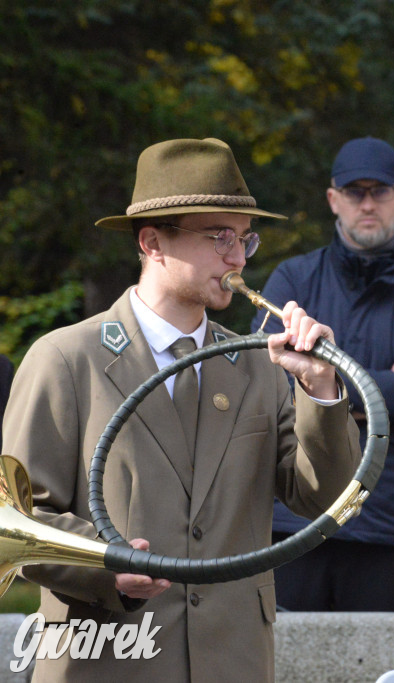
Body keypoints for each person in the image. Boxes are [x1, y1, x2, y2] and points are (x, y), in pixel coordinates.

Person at [2, 137, 361, 682]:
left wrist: (320, 390)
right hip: (108, 660)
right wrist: (107, 566)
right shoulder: (65, 358)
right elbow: (17, 521)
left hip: (233, 661)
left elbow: (325, 499)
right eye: (219, 237)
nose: (238, 258)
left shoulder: (259, 366)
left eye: (244, 239)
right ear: (152, 243)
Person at [254, 136, 394, 612]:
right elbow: (272, 382)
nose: (368, 203)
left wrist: (324, 381)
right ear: (333, 200)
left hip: (387, 522)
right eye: (354, 192)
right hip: (295, 515)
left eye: (380, 191)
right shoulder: (292, 281)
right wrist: (386, 383)